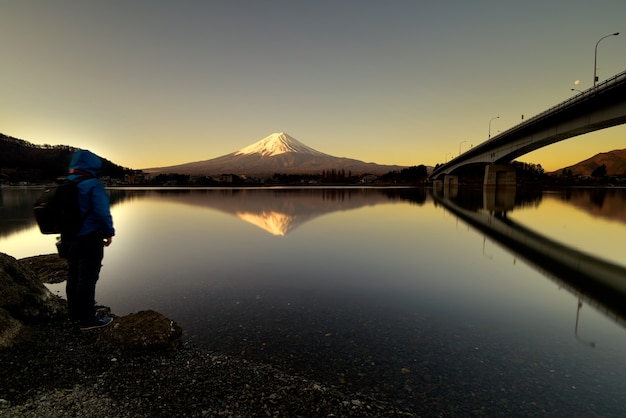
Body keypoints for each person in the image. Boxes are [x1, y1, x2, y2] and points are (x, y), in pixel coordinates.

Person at [64, 149, 115, 330]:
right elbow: (102, 213)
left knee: (73, 276)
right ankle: (87, 320)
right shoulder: (92, 184)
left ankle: (74, 314)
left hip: (68, 239)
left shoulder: (67, 183)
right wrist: (109, 232)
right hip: (89, 239)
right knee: (87, 279)